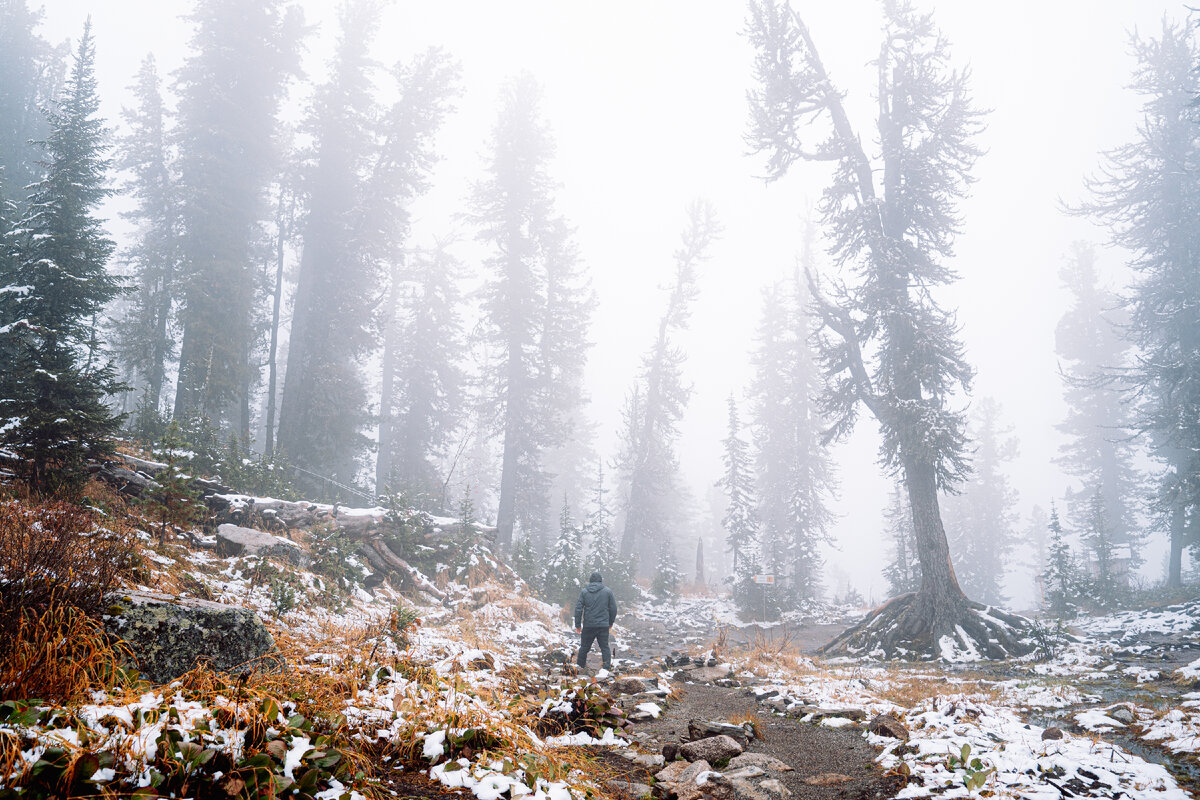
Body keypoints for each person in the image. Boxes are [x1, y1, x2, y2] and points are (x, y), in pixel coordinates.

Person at [573, 571, 617, 671]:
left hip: (589, 625)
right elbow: (613, 608)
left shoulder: (584, 592)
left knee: (584, 647)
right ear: (601, 581)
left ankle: (580, 667)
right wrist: (610, 622)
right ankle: (606, 669)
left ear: (590, 581)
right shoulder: (607, 591)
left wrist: (578, 625)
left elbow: (578, 609)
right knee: (605, 647)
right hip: (603, 625)